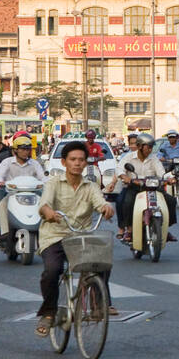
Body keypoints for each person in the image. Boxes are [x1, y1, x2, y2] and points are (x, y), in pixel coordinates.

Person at [34, 141, 117, 337]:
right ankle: (48, 312)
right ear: (64, 162)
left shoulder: (90, 185)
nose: (77, 164)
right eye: (73, 160)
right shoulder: (53, 183)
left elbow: (100, 201)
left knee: (101, 262)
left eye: (81, 160)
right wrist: (50, 213)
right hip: (54, 236)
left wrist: (106, 208)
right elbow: (44, 205)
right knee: (52, 270)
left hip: (81, 237)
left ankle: (98, 303)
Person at [115, 133, 177, 244]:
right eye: (147, 147)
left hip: (152, 187)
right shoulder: (129, 157)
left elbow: (162, 173)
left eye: (151, 147)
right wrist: (126, 178)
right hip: (135, 187)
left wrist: (170, 178)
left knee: (171, 201)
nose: (150, 150)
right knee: (127, 203)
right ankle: (129, 230)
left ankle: (165, 229)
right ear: (139, 146)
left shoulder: (153, 159)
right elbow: (119, 169)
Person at [0, 134, 46, 243]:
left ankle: (46, 229)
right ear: (15, 150)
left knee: (47, 200)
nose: (26, 152)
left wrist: (46, 182)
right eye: (23, 149)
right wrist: (1, 182)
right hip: (11, 193)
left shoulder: (34, 163)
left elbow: (43, 177)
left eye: (28, 149)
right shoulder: (7, 162)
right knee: (1, 202)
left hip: (33, 193)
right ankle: (0, 229)